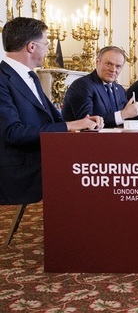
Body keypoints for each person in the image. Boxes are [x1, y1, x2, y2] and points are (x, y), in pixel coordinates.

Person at [0, 17, 101, 205]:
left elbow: (52, 120)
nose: (48, 49)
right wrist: (70, 125)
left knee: (96, 166)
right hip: (22, 167)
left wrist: (83, 122)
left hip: (43, 157)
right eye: (46, 44)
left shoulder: (31, 76)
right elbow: (12, 133)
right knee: (90, 176)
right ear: (31, 47)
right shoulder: (2, 78)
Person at [62, 46, 138, 127]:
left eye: (118, 66)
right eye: (109, 64)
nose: (113, 70)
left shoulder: (119, 89)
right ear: (97, 62)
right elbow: (87, 122)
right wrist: (123, 114)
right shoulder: (82, 85)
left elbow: (126, 117)